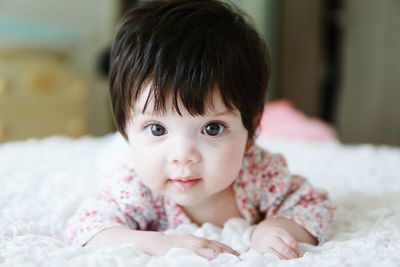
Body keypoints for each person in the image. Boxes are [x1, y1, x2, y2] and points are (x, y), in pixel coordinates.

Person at [66, 0, 336, 260]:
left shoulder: (258, 173)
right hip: (121, 157)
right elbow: (86, 228)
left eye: (213, 128)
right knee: (108, 160)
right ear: (125, 127)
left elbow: (313, 204)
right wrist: (157, 243)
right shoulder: (135, 187)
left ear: (251, 129)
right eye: (158, 129)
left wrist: (276, 227)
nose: (183, 155)